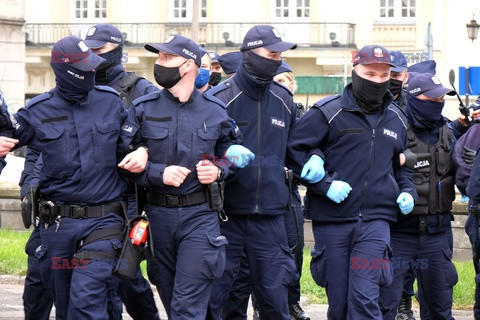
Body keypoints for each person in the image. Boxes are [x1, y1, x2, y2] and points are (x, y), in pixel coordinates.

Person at [0, 35, 148, 319]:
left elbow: (136, 141)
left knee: (86, 298)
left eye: (94, 66)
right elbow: (9, 138)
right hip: (59, 226)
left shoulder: (110, 102)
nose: (92, 72)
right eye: (85, 68)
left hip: (104, 222)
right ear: (66, 70)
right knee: (67, 308)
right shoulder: (36, 111)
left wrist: (142, 151)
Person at [123, 34, 252, 319]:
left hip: (200, 218)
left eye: (167, 58)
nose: (159, 63)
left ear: (188, 66)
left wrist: (219, 168)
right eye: (159, 57)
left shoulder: (216, 110)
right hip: (158, 218)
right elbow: (122, 161)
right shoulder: (142, 108)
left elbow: (228, 150)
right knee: (174, 303)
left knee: (186, 307)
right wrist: (157, 172)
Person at [286, 44, 417, 319]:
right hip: (333, 219)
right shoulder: (327, 111)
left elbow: (400, 165)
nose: (378, 81)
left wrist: (407, 190)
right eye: (370, 74)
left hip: (376, 220)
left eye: (384, 76)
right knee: (340, 301)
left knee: (366, 297)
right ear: (355, 71)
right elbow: (292, 152)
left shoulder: (397, 119)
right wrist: (323, 184)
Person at [206, 25, 298, 320]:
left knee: (274, 300)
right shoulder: (220, 99)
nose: (277, 59)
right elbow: (199, 151)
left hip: (270, 219)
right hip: (225, 217)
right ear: (249, 54)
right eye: (271, 53)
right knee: (219, 300)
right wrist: (222, 157)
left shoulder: (284, 100)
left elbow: (297, 151)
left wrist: (316, 162)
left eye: (279, 54)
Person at [84, 23, 160, 320]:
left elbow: (165, 138)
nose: (92, 56)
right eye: (87, 50)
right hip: (90, 194)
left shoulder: (141, 89)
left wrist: (145, 151)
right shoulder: (80, 87)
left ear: (116, 50)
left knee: (125, 273)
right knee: (97, 276)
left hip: (129, 198)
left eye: (99, 50)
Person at [379, 73, 459, 320]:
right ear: (414, 97)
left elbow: (463, 176)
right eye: (432, 97)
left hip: (438, 233)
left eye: (441, 98)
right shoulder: (393, 129)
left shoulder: (448, 132)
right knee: (384, 305)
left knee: (440, 307)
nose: (438, 102)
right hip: (398, 234)